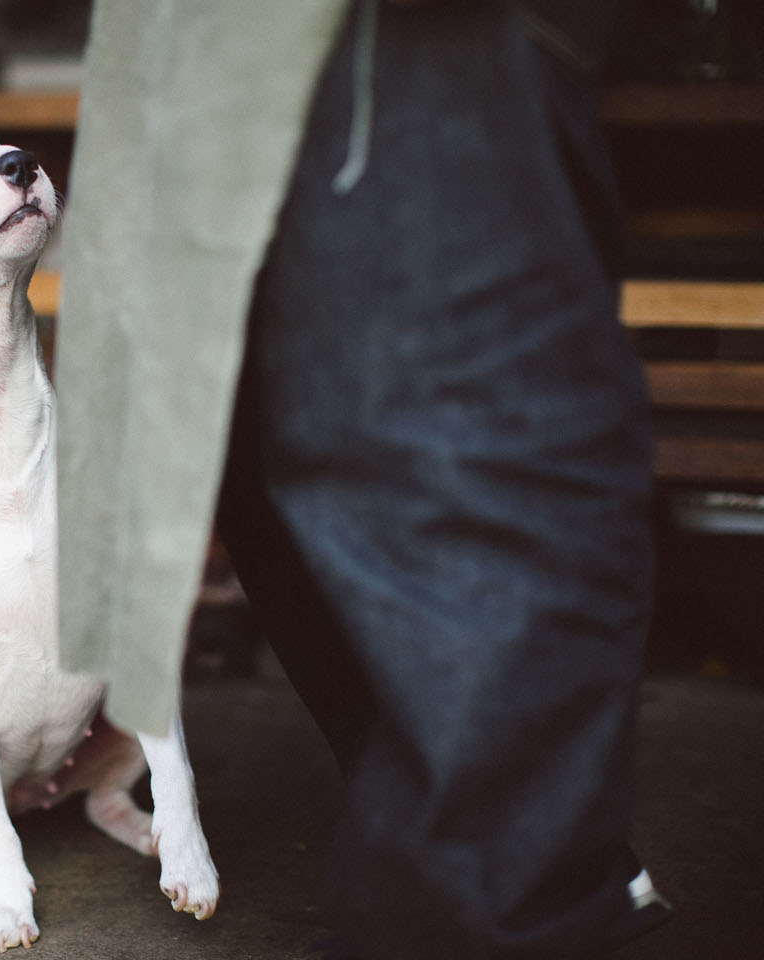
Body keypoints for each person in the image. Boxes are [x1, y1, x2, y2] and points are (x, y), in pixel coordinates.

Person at [56, 1, 672, 957]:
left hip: (395, 29)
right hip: (195, 42)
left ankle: (501, 895)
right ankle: (504, 846)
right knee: (233, 421)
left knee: (444, 434)